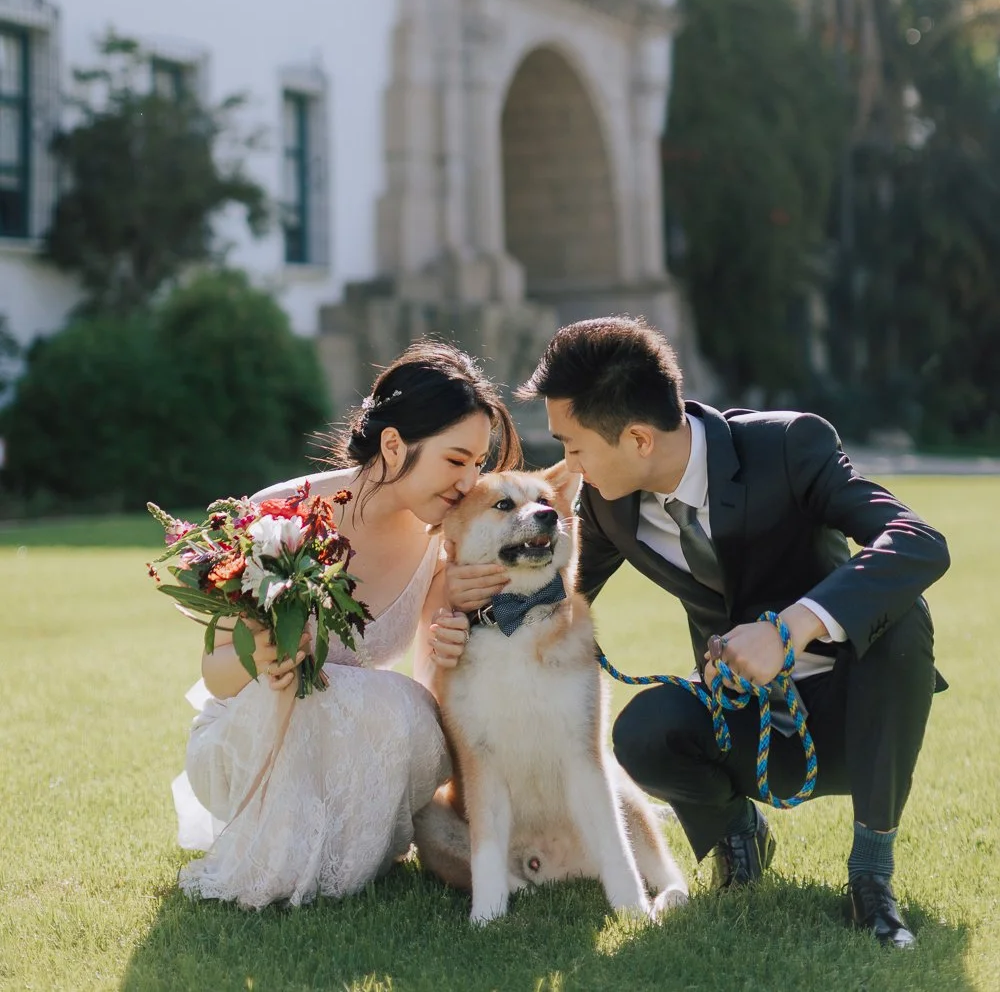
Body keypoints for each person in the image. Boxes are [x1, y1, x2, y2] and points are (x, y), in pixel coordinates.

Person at [442, 316, 949, 950]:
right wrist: (461, 603)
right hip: (749, 723)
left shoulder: (789, 446)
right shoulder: (607, 501)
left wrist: (788, 630)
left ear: (637, 438)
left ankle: (871, 876)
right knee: (643, 729)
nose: (566, 467)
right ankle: (738, 837)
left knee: (904, 619)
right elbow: (550, 596)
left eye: (573, 447)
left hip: (862, 722)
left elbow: (918, 542)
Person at [172, 339, 519, 909]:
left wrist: (451, 636)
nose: (469, 481)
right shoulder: (277, 515)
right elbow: (215, 674)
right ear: (393, 444)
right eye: (457, 460)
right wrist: (265, 658)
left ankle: (350, 847)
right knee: (340, 697)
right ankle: (290, 852)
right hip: (252, 737)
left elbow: (431, 681)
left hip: (345, 750)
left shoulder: (440, 542)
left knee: (405, 706)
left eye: (479, 464)